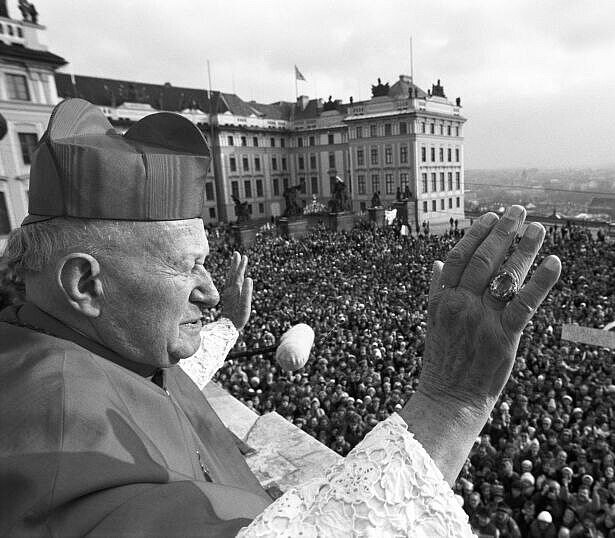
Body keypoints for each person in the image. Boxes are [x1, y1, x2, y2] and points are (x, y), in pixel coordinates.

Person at [0, 99, 561, 536]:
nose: (210, 290)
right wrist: (450, 401)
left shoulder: (62, 351)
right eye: (188, 266)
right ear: (85, 284)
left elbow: (131, 392)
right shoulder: (56, 454)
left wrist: (225, 332)